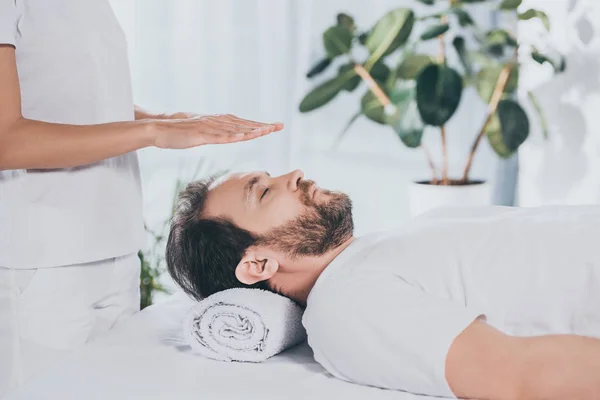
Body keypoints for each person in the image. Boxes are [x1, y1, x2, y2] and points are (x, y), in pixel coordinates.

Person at [0, 1, 282, 396]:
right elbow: (6, 138)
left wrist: (169, 121)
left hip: (114, 245)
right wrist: (152, 131)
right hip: (42, 261)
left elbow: (66, 100)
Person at [166, 169, 600, 400]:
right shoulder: (345, 307)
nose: (293, 174)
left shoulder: (391, 242)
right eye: (263, 193)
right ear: (258, 263)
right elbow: (516, 377)